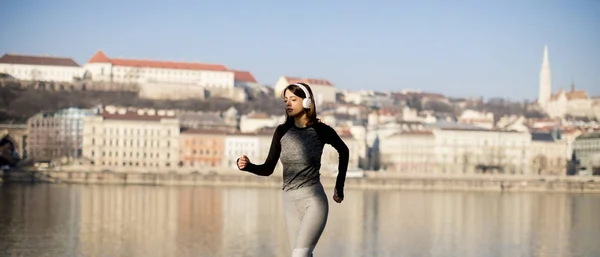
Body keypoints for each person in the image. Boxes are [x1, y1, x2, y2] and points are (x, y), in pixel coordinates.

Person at [237, 82, 349, 257]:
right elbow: (268, 169)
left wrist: (339, 186)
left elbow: (344, 150)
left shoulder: (321, 130)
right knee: (302, 254)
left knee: (299, 255)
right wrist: (247, 166)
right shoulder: (282, 131)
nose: (288, 103)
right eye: (286, 100)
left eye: (293, 99)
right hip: (289, 201)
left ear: (306, 102)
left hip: (313, 200)